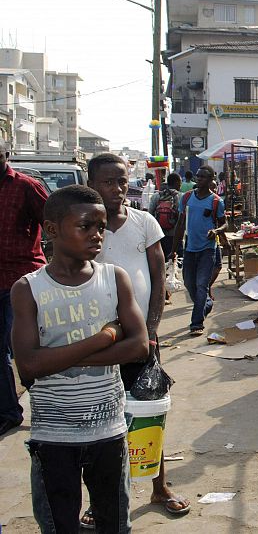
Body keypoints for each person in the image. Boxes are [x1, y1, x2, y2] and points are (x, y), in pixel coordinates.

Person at [10, 185, 149, 533]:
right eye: (85, 226)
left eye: (100, 227)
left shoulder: (113, 278)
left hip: (109, 431)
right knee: (59, 525)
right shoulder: (28, 289)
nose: (96, 235)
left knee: (115, 523)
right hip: (53, 436)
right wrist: (104, 338)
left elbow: (139, 347)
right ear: (52, 230)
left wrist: (55, 359)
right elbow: (28, 366)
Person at [89, 153, 191, 525]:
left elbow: (157, 274)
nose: (116, 189)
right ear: (91, 183)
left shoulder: (144, 222)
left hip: (141, 339)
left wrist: (151, 329)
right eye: (107, 182)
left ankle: (159, 486)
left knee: (149, 410)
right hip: (97, 341)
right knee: (99, 417)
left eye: (121, 181)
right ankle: (98, 498)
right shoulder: (88, 227)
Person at [0, 138, 48, 437]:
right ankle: (8, 411)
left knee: (22, 348)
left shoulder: (25, 186)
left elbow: (55, 221)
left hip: (20, 280)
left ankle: (46, 401)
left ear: (6, 154)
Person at [170, 165, 227, 335]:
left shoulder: (217, 201)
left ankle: (196, 324)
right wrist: (174, 249)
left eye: (203, 177)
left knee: (202, 285)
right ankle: (206, 304)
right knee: (189, 283)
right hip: (189, 248)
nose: (199, 179)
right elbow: (181, 224)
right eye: (198, 176)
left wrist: (216, 231)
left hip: (208, 249)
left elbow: (224, 223)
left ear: (210, 180)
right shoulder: (187, 197)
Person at [149, 172, 183, 259]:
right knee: (178, 260)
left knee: (163, 258)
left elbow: (150, 215)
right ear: (177, 183)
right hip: (175, 234)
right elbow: (182, 217)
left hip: (159, 234)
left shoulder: (156, 196)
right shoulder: (181, 197)